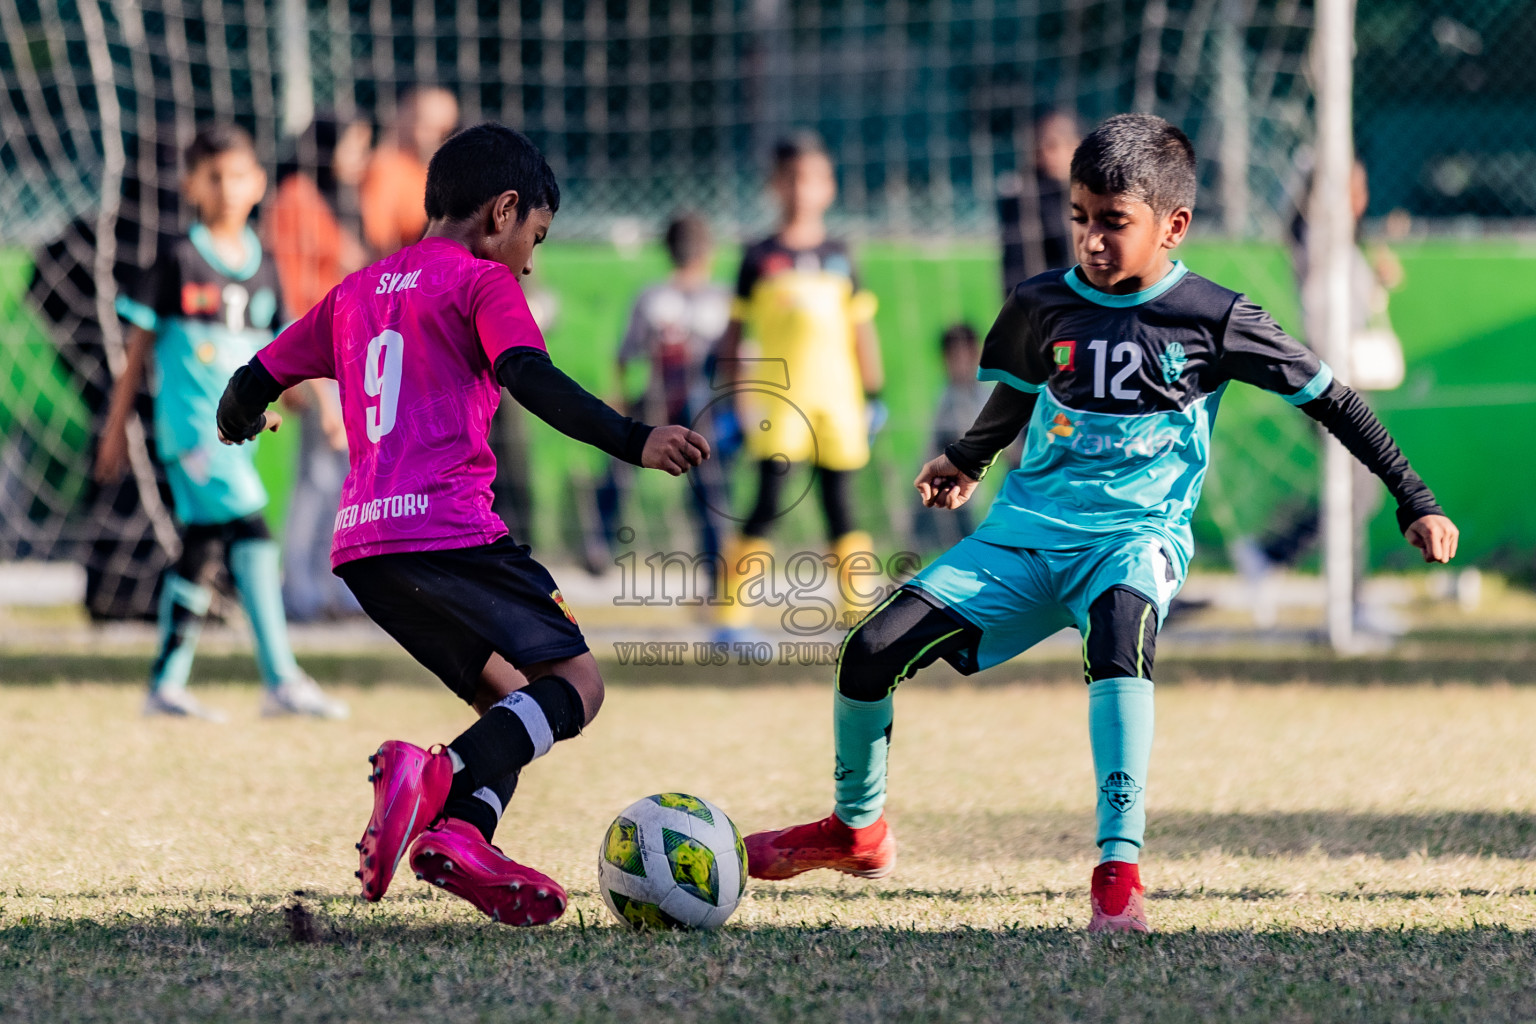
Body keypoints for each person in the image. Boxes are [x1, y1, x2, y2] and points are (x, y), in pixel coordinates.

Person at [743, 114, 1459, 934]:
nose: (1090, 240)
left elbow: (1332, 397)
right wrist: (967, 460)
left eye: (1113, 223)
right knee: (868, 651)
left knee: (1121, 638)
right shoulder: (1041, 302)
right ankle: (856, 829)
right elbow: (1016, 388)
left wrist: (1415, 496)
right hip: (1024, 536)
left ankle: (1119, 868)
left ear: (1173, 226)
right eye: (1081, 218)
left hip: (1134, 540)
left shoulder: (1214, 317)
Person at [215, 123, 710, 926]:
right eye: (535, 238)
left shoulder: (356, 291)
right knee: (576, 685)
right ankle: (434, 777)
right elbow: (531, 378)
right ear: (503, 211)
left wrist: (240, 419)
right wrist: (635, 438)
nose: (530, 259)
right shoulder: (481, 283)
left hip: (366, 551)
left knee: (509, 706)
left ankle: (460, 838)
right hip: (450, 531)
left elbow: (251, 381)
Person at [97, 123, 347, 721]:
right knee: (255, 539)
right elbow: (136, 353)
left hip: (241, 437)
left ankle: (165, 684)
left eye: (238, 176)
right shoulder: (179, 261)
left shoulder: (263, 268)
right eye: (215, 177)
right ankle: (281, 680)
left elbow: (286, 345)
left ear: (258, 182)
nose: (228, 188)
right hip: (191, 431)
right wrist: (115, 428)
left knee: (204, 549)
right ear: (192, 186)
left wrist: (318, 404)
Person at [714, 132, 885, 633]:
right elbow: (733, 334)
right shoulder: (758, 257)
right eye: (791, 179)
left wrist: (875, 397)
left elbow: (861, 330)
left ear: (828, 187)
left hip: (839, 402)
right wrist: (729, 400)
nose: (801, 190)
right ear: (774, 186)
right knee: (768, 501)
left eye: (812, 178)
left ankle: (860, 617)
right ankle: (730, 619)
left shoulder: (842, 254)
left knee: (842, 505)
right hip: (779, 404)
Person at [267, 115, 374, 621]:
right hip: (317, 352)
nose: (360, 159)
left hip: (349, 351)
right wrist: (296, 368)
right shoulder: (295, 198)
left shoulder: (339, 201)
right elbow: (291, 285)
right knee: (315, 472)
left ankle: (336, 583)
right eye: (353, 147)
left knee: (343, 474)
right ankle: (300, 588)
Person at [610, 213, 733, 584]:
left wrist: (619, 396)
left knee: (620, 462)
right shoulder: (722, 299)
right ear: (708, 251)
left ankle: (599, 543)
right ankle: (717, 567)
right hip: (679, 400)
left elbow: (624, 357)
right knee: (710, 486)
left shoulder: (653, 297)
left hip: (678, 399)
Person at [913, 324, 989, 551]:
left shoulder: (983, 396)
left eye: (966, 356)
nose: (960, 364)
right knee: (920, 539)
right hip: (943, 481)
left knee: (967, 540)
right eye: (953, 358)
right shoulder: (945, 396)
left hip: (970, 485)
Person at [359, 86, 460, 257]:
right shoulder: (386, 168)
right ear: (403, 114)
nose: (434, 138)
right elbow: (380, 242)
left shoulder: (431, 169)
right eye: (426, 126)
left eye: (443, 131)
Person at [997, 110, 1080, 295]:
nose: (1048, 154)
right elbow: (1014, 267)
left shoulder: (1094, 192)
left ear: (1077, 144)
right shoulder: (1021, 198)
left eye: (1056, 145)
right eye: (1040, 146)